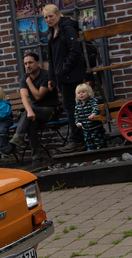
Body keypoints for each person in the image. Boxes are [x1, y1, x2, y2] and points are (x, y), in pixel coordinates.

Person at [0, 52, 60, 166]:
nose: (28, 66)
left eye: (30, 63)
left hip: (50, 111)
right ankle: (36, 158)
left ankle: (14, 143)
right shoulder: (24, 78)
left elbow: (38, 96)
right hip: (34, 113)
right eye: (26, 63)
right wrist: (30, 111)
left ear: (38, 63)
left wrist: (29, 82)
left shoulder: (46, 75)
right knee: (30, 121)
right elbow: (24, 97)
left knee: (27, 114)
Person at [43, 4, 86, 153]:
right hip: (62, 77)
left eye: (51, 16)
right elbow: (52, 58)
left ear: (58, 14)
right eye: (46, 17)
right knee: (70, 107)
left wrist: (63, 70)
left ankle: (77, 140)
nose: (48, 19)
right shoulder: (51, 32)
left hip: (71, 75)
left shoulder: (67, 29)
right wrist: (51, 77)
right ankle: (77, 139)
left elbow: (75, 51)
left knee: (72, 107)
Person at [75, 83, 107, 151]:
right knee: (88, 140)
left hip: (96, 127)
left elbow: (95, 108)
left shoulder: (92, 101)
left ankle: (101, 149)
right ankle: (91, 149)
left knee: (99, 139)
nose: (81, 94)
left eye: (83, 92)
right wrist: (77, 122)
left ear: (89, 93)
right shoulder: (77, 105)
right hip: (86, 129)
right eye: (79, 93)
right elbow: (76, 115)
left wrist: (93, 114)